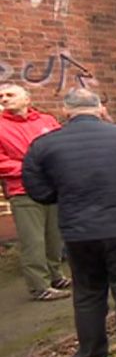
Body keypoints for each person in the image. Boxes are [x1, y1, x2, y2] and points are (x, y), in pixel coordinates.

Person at [22, 88, 116, 357]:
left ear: (65, 111)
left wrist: (63, 198)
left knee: (87, 293)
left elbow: (37, 190)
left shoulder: (44, 145)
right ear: (100, 108)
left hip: (77, 230)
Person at [0, 83, 70, 301]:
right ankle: (39, 286)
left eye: (10, 94)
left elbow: (62, 146)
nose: (4, 99)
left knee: (54, 236)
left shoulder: (46, 121)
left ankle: (56, 275)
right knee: (33, 241)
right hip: (23, 190)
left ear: (26, 99)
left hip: (51, 187)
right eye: (1, 96)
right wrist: (30, 169)